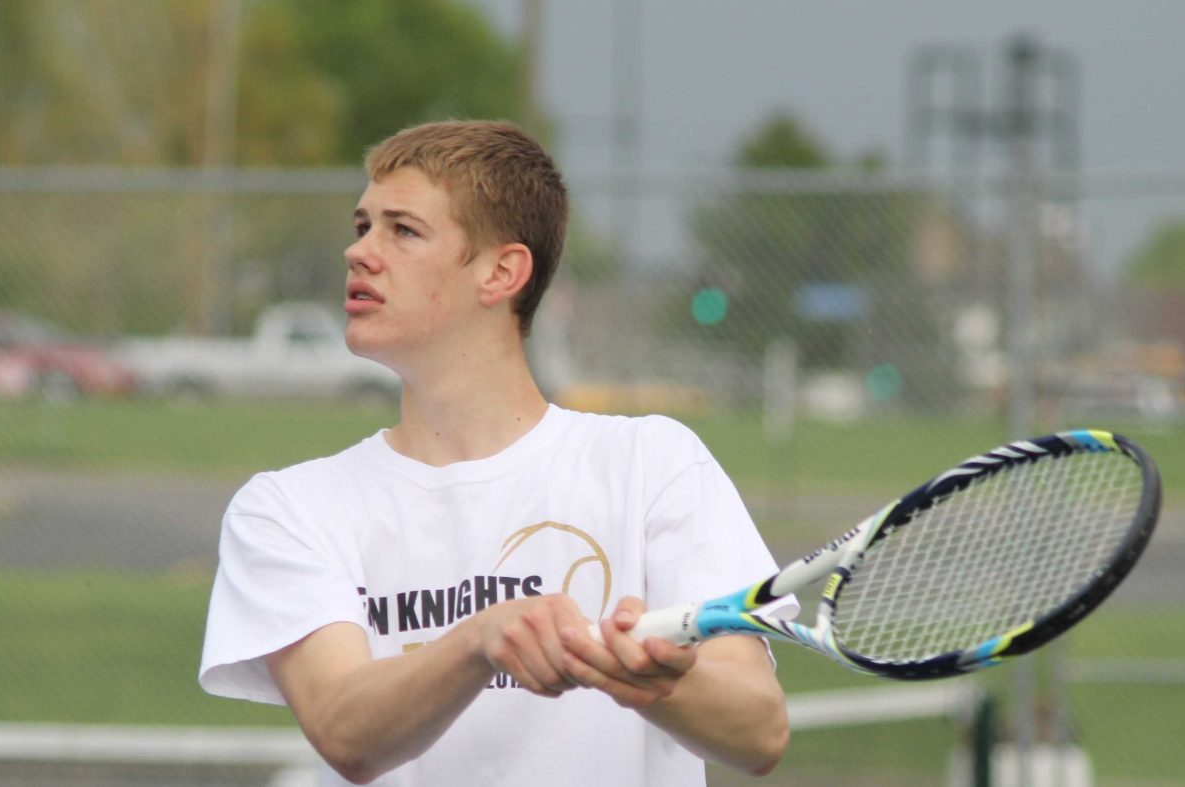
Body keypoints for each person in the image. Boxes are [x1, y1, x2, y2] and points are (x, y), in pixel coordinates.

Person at [199, 120, 791, 786]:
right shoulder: (289, 508)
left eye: (403, 230)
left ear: (502, 272)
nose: (359, 251)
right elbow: (344, 729)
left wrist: (649, 680)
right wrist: (480, 641)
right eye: (363, 225)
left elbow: (760, 729)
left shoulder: (653, 463)